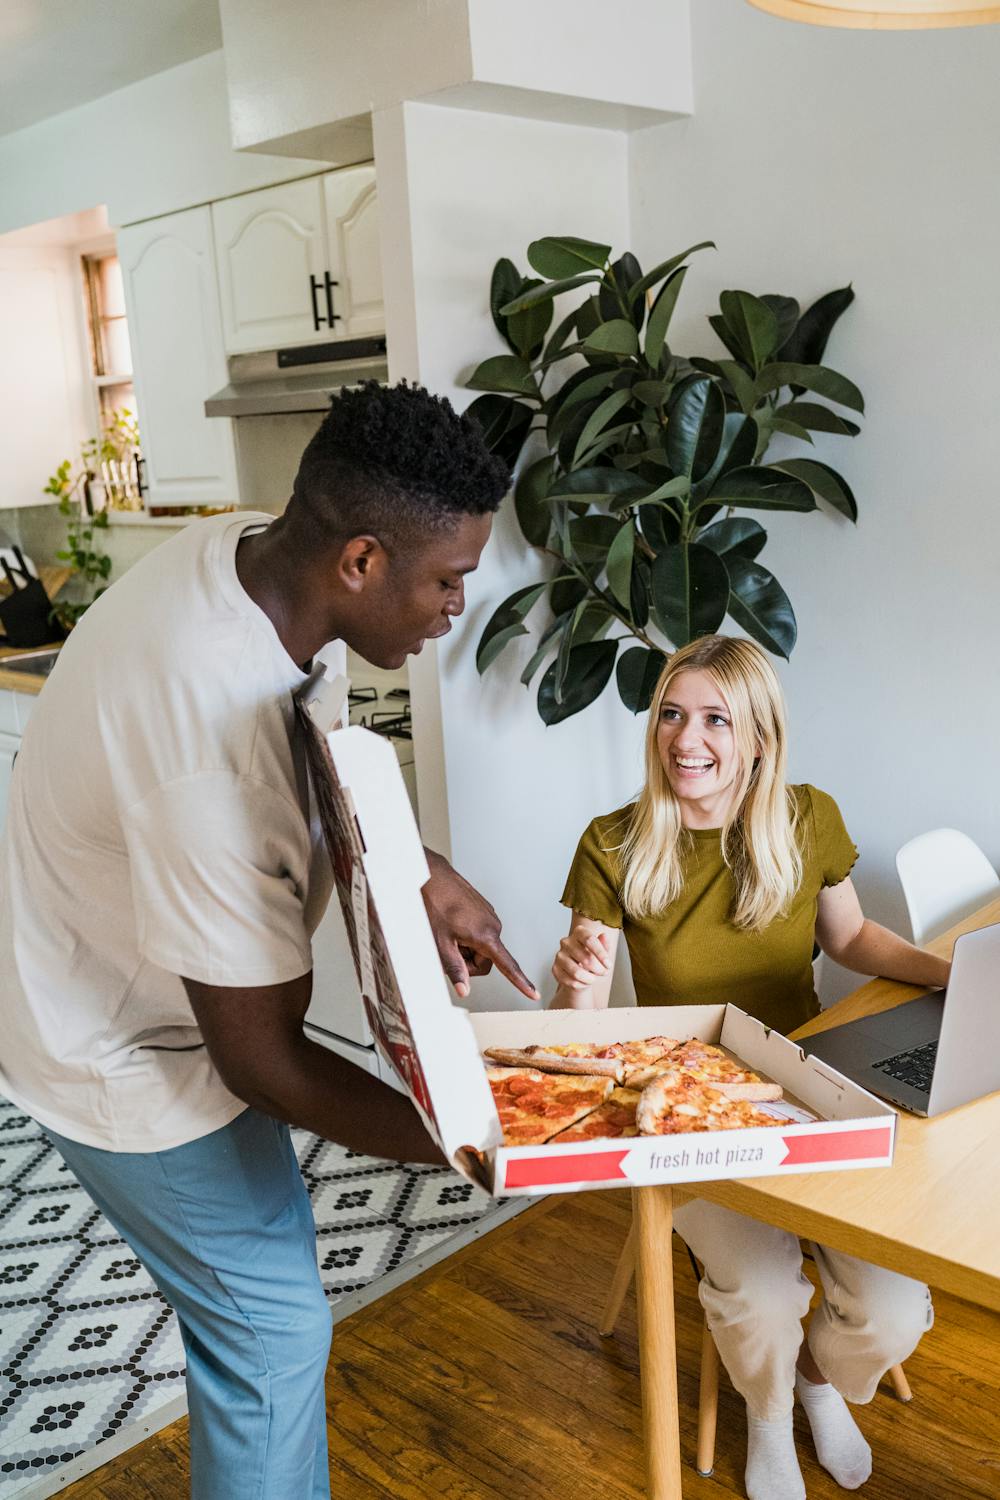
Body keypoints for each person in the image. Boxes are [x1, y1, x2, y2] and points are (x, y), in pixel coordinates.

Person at [0, 381, 538, 1500]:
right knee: (273, 1335)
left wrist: (413, 868)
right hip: (111, 1048)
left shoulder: (255, 561)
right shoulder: (205, 755)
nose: (454, 608)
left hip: (149, 992)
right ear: (360, 561)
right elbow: (263, 1062)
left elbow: (313, 741)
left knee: (259, 1302)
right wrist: (462, 1144)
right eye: (446, 580)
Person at [552, 634, 948, 1500]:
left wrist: (955, 976)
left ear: (759, 739)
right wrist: (576, 989)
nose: (685, 740)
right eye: (671, 714)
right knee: (763, 1297)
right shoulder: (613, 844)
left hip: (809, 1087)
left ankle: (814, 1383)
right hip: (688, 1106)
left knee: (892, 1313)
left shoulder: (808, 820)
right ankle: (767, 1418)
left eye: (715, 720)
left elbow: (850, 941)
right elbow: (577, 1040)